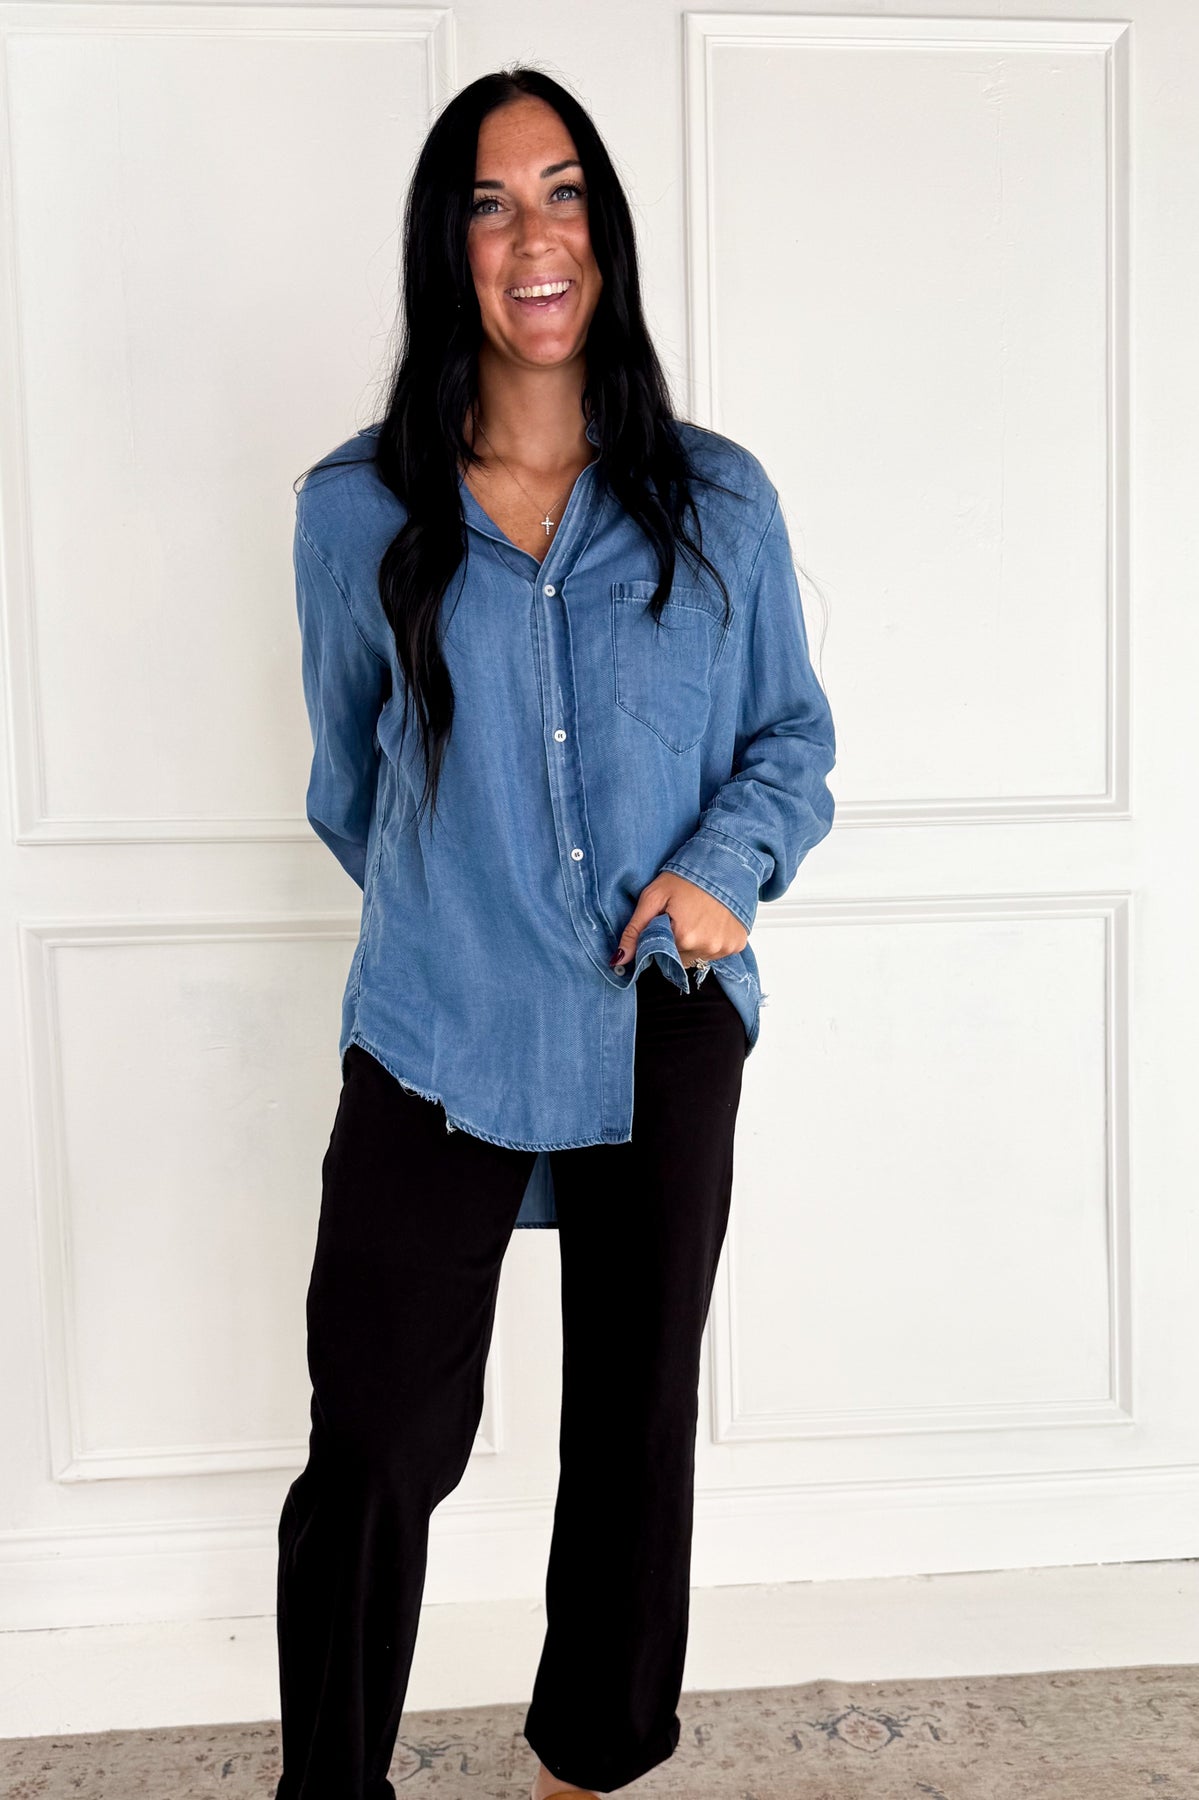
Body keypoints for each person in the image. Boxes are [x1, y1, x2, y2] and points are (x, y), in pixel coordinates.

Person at [274, 66, 836, 1800]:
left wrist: (723, 864)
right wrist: (476, 900)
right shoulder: (354, 512)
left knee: (631, 1430)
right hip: (438, 1021)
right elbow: (353, 785)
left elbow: (791, 739)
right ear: (448, 247)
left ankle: (584, 1770)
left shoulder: (720, 502)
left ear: (607, 231)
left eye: (567, 191)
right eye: (493, 201)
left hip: (661, 1013)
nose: (537, 235)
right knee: (376, 1441)